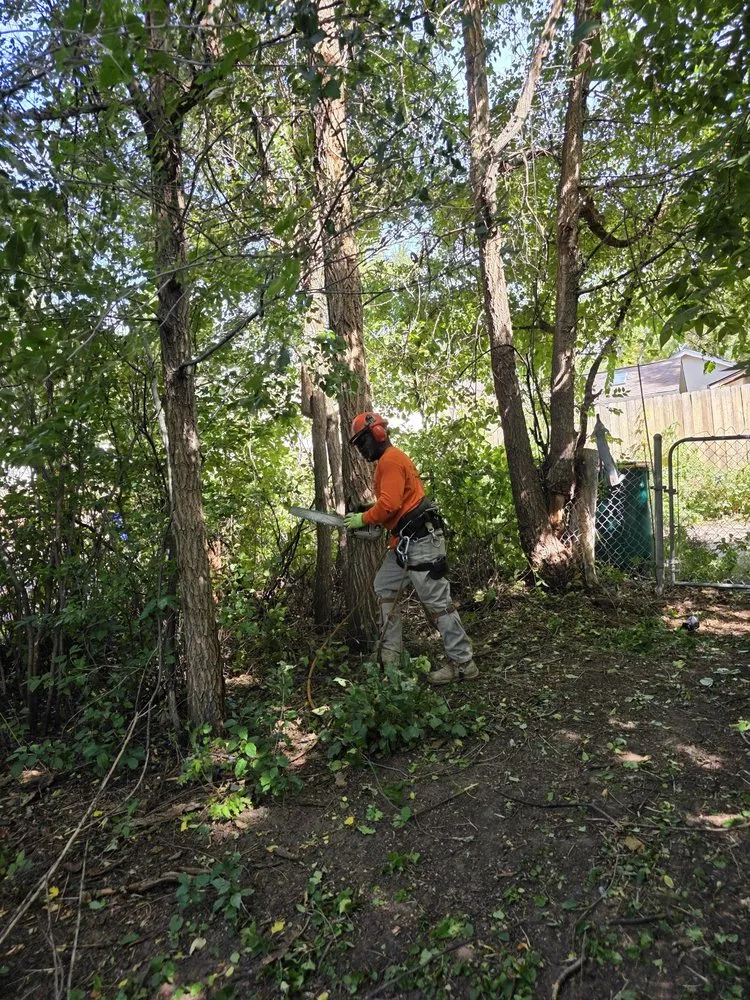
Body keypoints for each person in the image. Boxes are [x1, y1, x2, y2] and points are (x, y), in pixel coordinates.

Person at [343, 412, 478, 685]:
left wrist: (364, 518)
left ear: (377, 435)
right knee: (385, 586)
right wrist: (371, 511)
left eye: (362, 443)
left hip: (422, 543)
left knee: (439, 605)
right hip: (405, 544)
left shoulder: (390, 460)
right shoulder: (388, 462)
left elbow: (390, 505)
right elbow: (396, 503)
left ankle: (463, 663)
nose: (361, 450)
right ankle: (391, 658)